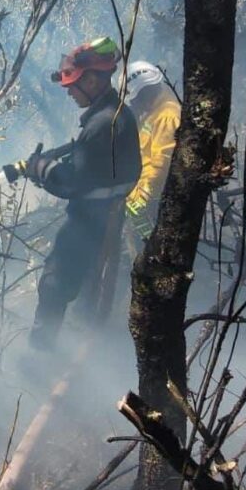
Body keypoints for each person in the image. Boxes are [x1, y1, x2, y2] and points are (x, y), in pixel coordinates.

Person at [21, 37, 141, 349]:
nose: (70, 93)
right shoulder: (114, 115)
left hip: (89, 222)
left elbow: (75, 181)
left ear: (92, 79)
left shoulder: (102, 124)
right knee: (86, 288)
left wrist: (44, 171)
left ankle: (40, 354)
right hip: (105, 218)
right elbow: (92, 162)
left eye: (73, 86)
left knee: (54, 284)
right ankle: (85, 345)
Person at [123, 61, 181, 239]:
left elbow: (161, 161)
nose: (134, 104)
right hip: (142, 190)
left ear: (145, 92)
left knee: (153, 244)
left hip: (154, 198)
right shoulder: (154, 111)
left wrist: (142, 196)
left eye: (135, 99)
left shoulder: (167, 116)